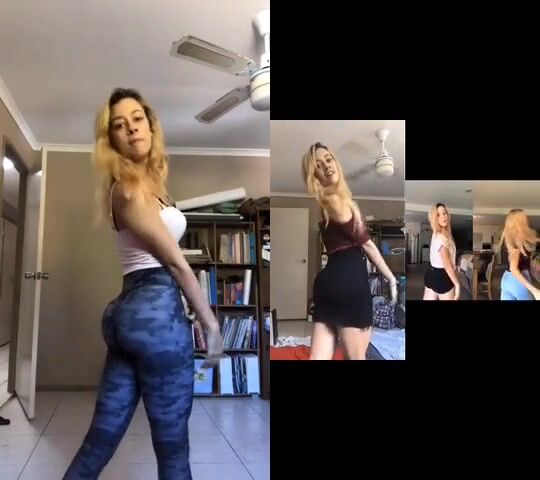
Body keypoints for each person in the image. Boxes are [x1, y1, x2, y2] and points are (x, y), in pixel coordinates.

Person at [63, 88, 224, 480]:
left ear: (151, 126)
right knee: (173, 450)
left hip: (129, 318)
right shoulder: (129, 188)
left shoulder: (147, 186)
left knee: (100, 439)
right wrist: (211, 324)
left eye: (137, 119)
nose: (131, 128)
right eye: (119, 125)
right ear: (112, 140)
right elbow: (176, 263)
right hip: (155, 319)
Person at [301, 142, 398, 361]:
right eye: (318, 166)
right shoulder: (337, 200)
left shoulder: (323, 204)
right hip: (350, 285)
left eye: (328, 159)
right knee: (355, 357)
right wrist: (391, 278)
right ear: (314, 175)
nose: (326, 166)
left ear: (335, 161)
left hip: (327, 285)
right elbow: (367, 244)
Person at [498, 209, 540, 300]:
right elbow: (513, 269)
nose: (527, 220)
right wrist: (534, 290)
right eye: (524, 218)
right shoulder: (516, 240)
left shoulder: (506, 238)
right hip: (518, 280)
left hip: (506, 279)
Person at [423, 203, 460, 301]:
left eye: (444, 213)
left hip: (431, 274)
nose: (443, 216)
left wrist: (454, 266)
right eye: (438, 215)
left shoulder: (438, 234)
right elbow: (447, 265)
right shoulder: (441, 237)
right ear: (435, 218)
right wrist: (457, 284)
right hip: (443, 277)